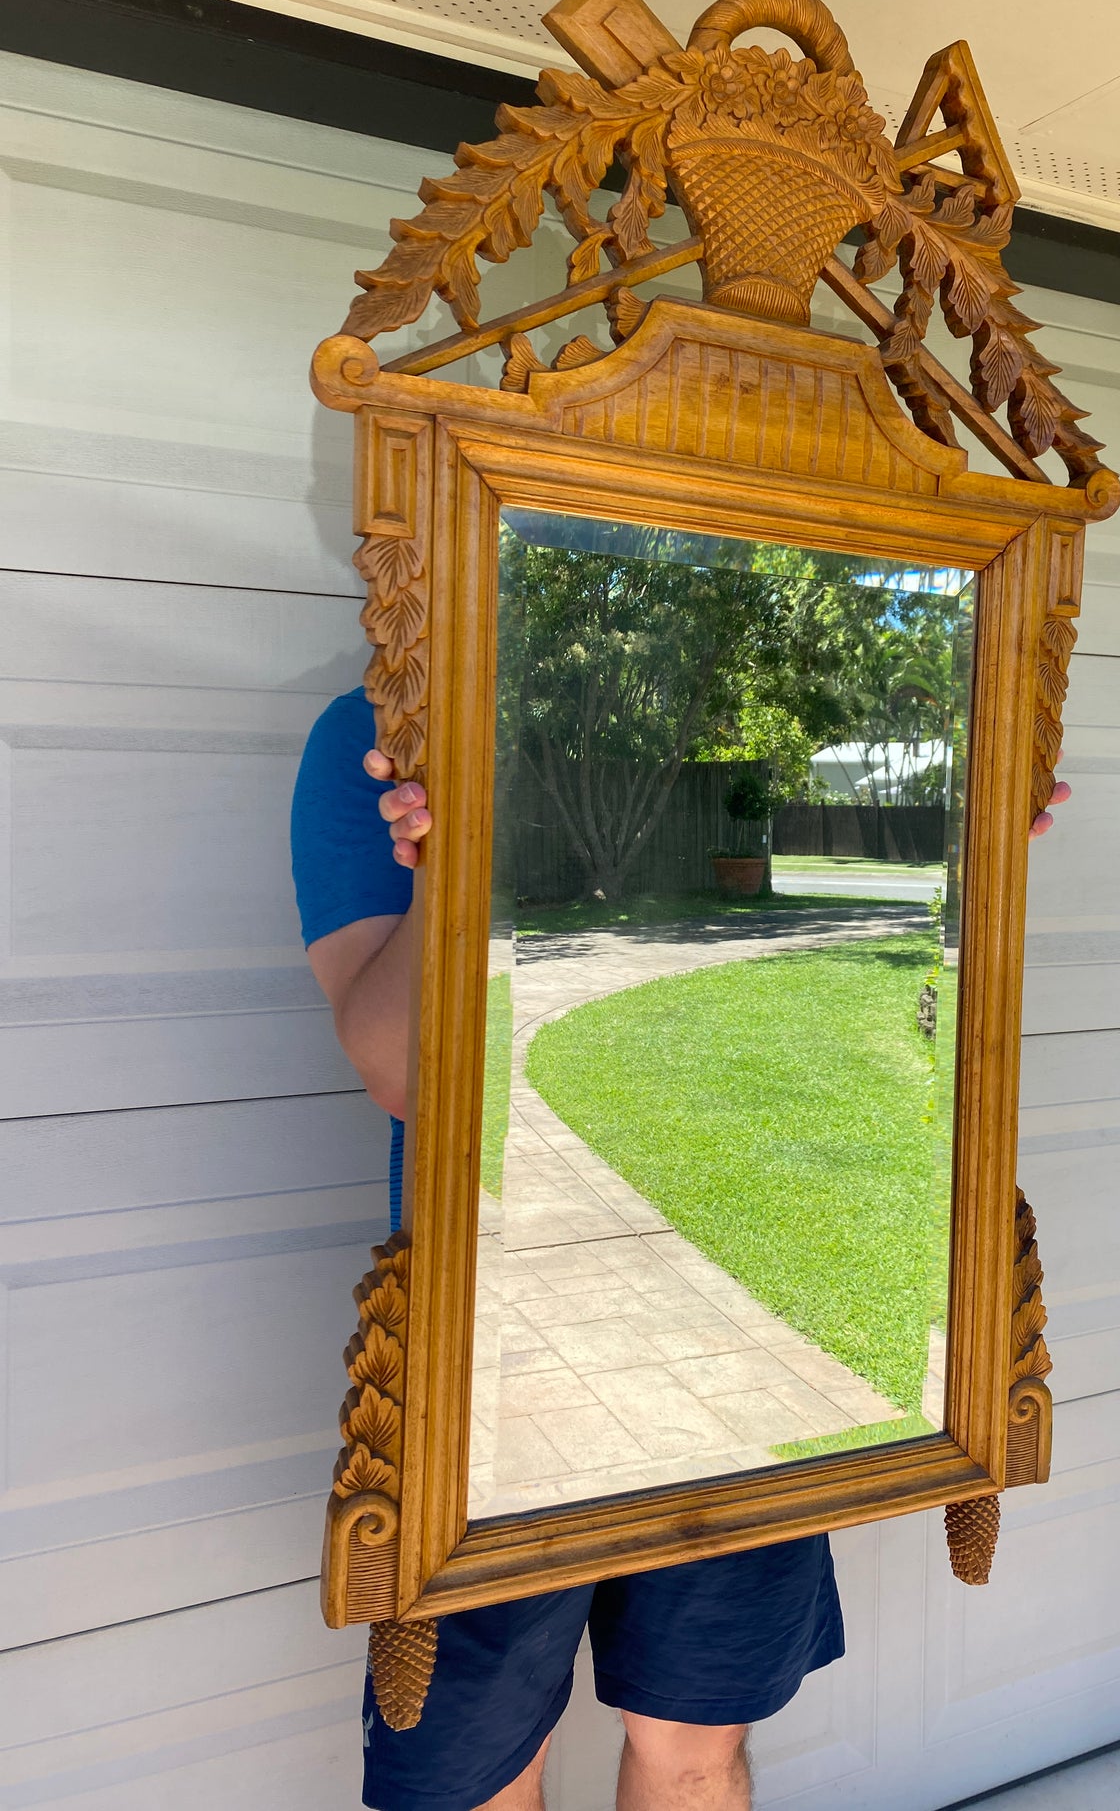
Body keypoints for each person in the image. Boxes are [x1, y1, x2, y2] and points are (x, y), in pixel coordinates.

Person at [291, 683, 1069, 1811]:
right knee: (477, 1779)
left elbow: (866, 1024)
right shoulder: (382, 731)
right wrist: (450, 866)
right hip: (491, 1374)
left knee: (695, 1751)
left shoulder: (746, 728)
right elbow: (403, 1070)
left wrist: (967, 856)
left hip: (736, 1357)